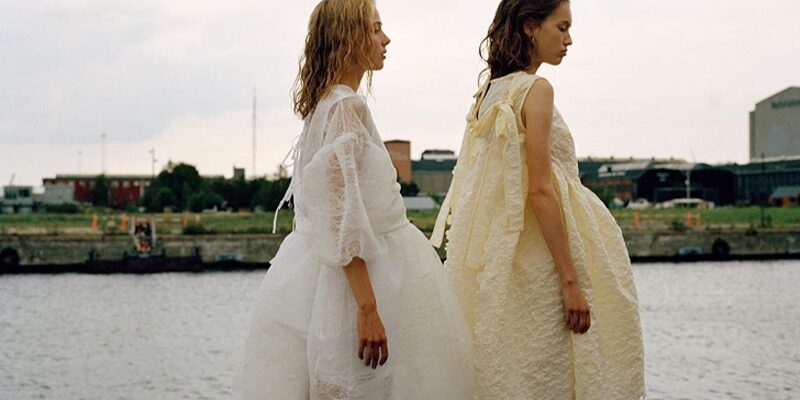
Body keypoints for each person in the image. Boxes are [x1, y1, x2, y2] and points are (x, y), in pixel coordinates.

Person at [232, 1, 472, 399]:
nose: (386, 39)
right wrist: (367, 308)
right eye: (376, 29)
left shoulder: (323, 108)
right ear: (350, 38)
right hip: (358, 281)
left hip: (320, 273)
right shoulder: (346, 107)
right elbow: (341, 215)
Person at [431, 1, 645, 398]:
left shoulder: (488, 94)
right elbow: (540, 188)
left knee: (514, 368)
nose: (569, 39)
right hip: (543, 257)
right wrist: (571, 281)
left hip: (505, 257)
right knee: (555, 371)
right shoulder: (536, 90)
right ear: (530, 26)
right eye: (561, 27)